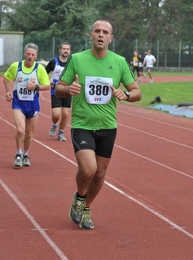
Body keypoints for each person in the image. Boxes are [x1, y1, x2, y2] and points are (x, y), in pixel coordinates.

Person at [55, 20, 142, 230]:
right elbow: (59, 88)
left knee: (100, 174)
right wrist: (69, 90)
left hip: (108, 126)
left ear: (111, 38)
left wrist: (126, 94)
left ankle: (85, 207)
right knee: (88, 170)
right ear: (91, 35)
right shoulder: (77, 59)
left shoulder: (119, 62)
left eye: (105, 32)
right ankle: (79, 195)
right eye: (97, 31)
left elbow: (137, 92)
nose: (101, 35)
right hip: (82, 124)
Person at [3, 43, 50, 168]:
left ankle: (25, 154)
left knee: (29, 134)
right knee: (20, 130)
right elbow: (6, 77)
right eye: (28, 54)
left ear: (36, 56)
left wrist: (36, 87)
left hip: (33, 105)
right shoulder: (16, 66)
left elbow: (47, 85)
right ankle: (18, 153)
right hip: (18, 103)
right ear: (24, 54)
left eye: (33, 55)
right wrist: (8, 91)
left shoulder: (39, 69)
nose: (30, 56)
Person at [45, 42, 72, 141]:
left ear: (69, 51)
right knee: (56, 114)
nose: (66, 51)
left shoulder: (71, 63)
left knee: (65, 114)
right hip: (55, 90)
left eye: (67, 49)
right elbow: (43, 73)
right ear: (60, 50)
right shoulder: (53, 62)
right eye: (64, 49)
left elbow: (76, 74)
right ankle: (55, 124)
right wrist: (49, 80)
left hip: (67, 89)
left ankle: (61, 133)